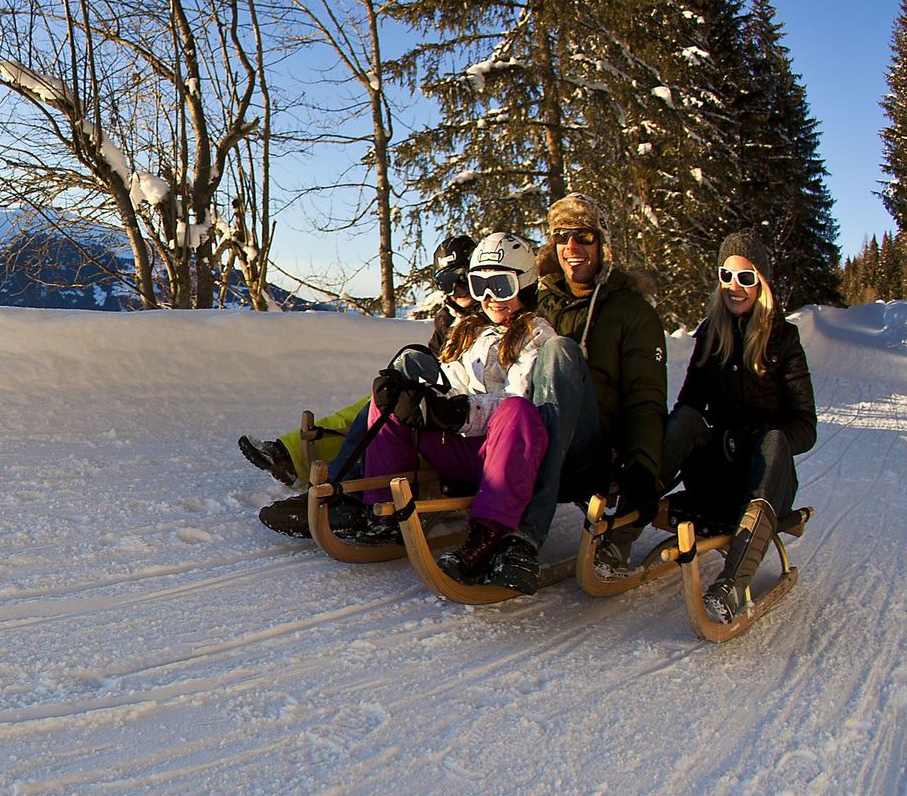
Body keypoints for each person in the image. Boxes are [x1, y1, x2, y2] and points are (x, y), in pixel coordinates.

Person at [348, 232, 556, 592]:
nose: (490, 298)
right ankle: (383, 513)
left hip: (505, 456)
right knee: (394, 405)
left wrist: (456, 412)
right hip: (461, 449)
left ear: (524, 284)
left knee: (518, 411)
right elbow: (448, 381)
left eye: (501, 286)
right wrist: (416, 397)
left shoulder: (537, 335)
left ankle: (486, 534)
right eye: (481, 286)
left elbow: (517, 397)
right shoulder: (467, 329)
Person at [252, 234, 479, 537]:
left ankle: (340, 492)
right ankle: (301, 465)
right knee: (377, 405)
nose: (454, 292)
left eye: (461, 281)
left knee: (380, 414)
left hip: (461, 423)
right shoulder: (448, 321)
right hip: (440, 410)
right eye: (445, 283)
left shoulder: (491, 321)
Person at [656, 228, 815, 622]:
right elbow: (689, 403)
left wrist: (761, 437)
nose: (734, 287)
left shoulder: (784, 339)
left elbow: (806, 426)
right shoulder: (711, 332)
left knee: (776, 439)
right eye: (726, 276)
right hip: (718, 476)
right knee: (687, 419)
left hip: (763, 477)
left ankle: (731, 583)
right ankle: (625, 516)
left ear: (761, 283)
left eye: (745, 278)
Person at [515, 194, 670, 578]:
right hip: (533, 437)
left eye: (584, 236)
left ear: (602, 244)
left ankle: (527, 532)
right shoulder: (538, 303)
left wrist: (642, 467)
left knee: (561, 352)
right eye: (562, 236)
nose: (572, 247)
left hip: (592, 450)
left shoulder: (631, 311)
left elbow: (646, 397)